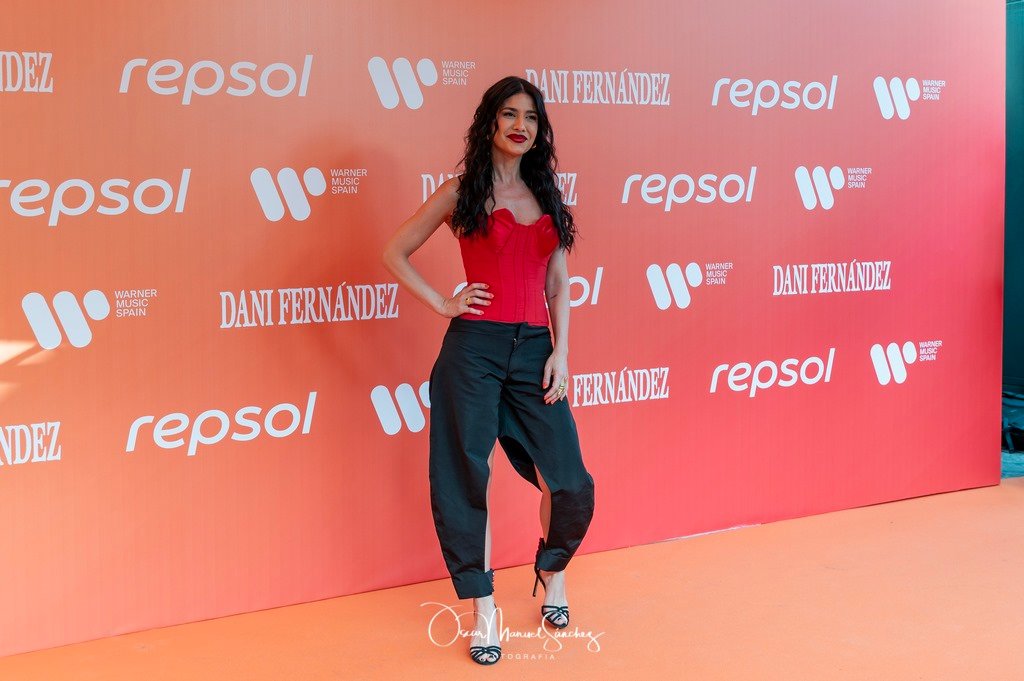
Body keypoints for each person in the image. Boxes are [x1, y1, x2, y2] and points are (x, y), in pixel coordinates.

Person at [382, 76, 596, 666]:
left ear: (540, 129)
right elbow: (394, 251)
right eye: (509, 114)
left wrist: (561, 353)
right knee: (467, 479)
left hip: (535, 352)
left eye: (531, 117)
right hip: (473, 351)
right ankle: (484, 610)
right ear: (490, 122)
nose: (520, 126)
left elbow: (558, 285)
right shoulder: (462, 192)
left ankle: (552, 572)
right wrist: (443, 302)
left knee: (569, 481)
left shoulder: (547, 194)